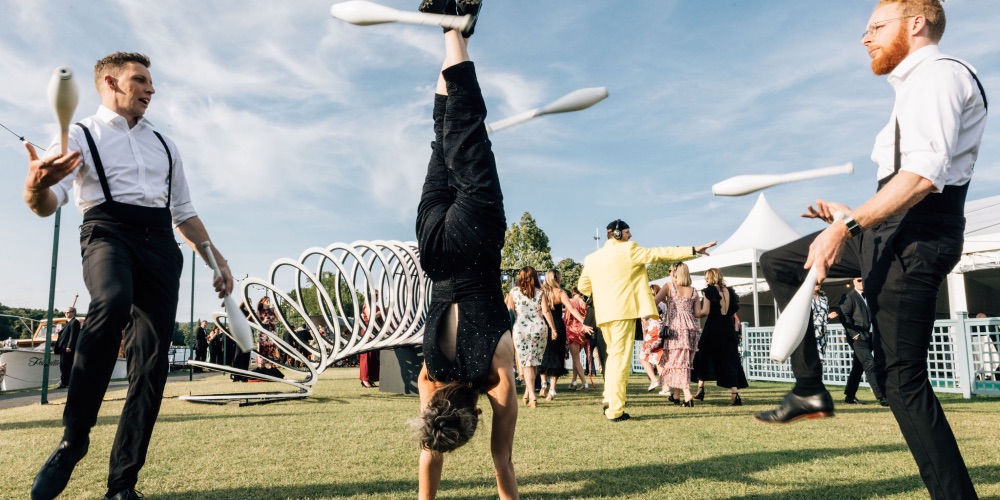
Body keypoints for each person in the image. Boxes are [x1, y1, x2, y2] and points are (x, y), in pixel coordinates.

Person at [756, 1, 986, 496]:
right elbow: (902, 182)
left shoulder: (939, 77)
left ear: (916, 23)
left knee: (902, 380)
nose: (865, 37)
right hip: (893, 229)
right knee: (778, 262)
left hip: (918, 235)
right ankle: (811, 389)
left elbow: (923, 178)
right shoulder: (915, 85)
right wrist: (850, 216)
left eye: (877, 26)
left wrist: (847, 227)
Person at [23, 52, 233, 500]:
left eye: (151, 82)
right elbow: (46, 204)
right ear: (110, 83)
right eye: (140, 80)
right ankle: (74, 438)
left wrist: (217, 260)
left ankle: (122, 486)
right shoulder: (77, 134)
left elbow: (185, 214)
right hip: (106, 232)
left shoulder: (165, 144)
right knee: (111, 301)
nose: (150, 89)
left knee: (152, 366)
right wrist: (35, 187)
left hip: (160, 244)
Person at [410, 5, 518, 497]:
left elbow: (503, 466)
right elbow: (429, 453)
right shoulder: (429, 381)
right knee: (443, 139)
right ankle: (458, 34)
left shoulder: (494, 379)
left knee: (467, 130)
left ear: (474, 412)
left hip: (474, 242)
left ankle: (451, 25)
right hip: (432, 249)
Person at [577, 219, 715, 422]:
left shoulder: (592, 258)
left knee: (613, 357)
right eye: (627, 232)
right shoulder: (629, 250)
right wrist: (693, 249)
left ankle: (609, 399)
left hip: (604, 314)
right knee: (620, 361)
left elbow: (583, 286)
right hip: (623, 312)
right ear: (617, 234)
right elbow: (660, 253)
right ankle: (615, 409)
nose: (630, 235)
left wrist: (604, 291)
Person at [654, 262, 707, 406]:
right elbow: (697, 313)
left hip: (675, 328)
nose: (669, 272)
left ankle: (687, 395)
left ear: (676, 273)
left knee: (677, 362)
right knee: (683, 362)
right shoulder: (694, 291)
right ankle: (676, 395)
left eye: (670, 270)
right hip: (691, 328)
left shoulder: (669, 286)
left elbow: (654, 302)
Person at [692, 268, 748, 406]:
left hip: (713, 327)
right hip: (727, 327)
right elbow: (732, 311)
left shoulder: (709, 291)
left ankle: (700, 389)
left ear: (709, 278)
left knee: (704, 356)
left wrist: (692, 312)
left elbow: (704, 312)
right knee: (730, 359)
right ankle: (735, 395)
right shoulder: (730, 291)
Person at [506, 266, 556, 407]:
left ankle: (533, 397)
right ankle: (528, 393)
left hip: (521, 329)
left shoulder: (513, 292)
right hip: (539, 329)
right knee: (533, 363)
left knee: (527, 364)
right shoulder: (541, 293)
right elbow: (546, 312)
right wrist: (553, 328)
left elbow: (510, 312)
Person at [538, 270, 591, 401]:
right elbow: (572, 309)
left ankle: (543, 384)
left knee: (542, 355)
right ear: (559, 278)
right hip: (557, 325)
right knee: (556, 356)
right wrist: (583, 322)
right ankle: (552, 390)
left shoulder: (540, 292)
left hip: (543, 325)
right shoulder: (560, 293)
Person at [840, 278, 889, 406]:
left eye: (864, 280)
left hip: (872, 336)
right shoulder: (849, 296)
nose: (862, 283)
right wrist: (853, 334)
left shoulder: (871, 295)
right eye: (859, 280)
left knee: (858, 366)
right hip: (858, 337)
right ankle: (881, 396)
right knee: (870, 363)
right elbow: (844, 316)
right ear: (853, 281)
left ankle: (850, 396)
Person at [639, 284, 667, 392]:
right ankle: (665, 387)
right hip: (661, 332)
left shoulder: (652, 303)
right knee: (658, 360)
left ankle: (653, 379)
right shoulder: (665, 304)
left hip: (652, 331)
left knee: (643, 357)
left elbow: (644, 317)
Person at [564, 287, 592, 390]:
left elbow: (566, 318)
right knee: (577, 358)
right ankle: (574, 381)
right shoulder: (584, 303)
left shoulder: (571, 301)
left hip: (573, 331)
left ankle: (584, 383)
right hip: (583, 331)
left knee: (576, 359)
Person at [359, 292, 383, 388]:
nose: (378, 297)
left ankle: (370, 378)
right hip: (368, 332)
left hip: (374, 332)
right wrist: (383, 311)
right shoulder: (367, 306)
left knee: (373, 357)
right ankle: (365, 379)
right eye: (377, 295)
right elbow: (370, 317)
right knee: (366, 356)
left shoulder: (375, 306)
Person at [55, 307, 82, 389]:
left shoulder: (75, 322)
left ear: (73, 313)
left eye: (68, 312)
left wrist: (69, 346)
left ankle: (67, 383)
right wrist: (59, 332)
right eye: (65, 312)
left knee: (67, 366)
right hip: (63, 348)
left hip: (67, 348)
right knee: (63, 366)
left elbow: (73, 336)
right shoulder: (68, 322)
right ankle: (65, 382)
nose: (66, 313)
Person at [811, 286, 830, 359]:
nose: (818, 284)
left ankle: (820, 369)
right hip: (811, 328)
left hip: (822, 328)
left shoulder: (824, 298)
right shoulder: (805, 298)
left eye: (819, 282)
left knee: (822, 351)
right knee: (817, 355)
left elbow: (826, 312)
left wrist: (828, 316)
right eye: (815, 283)